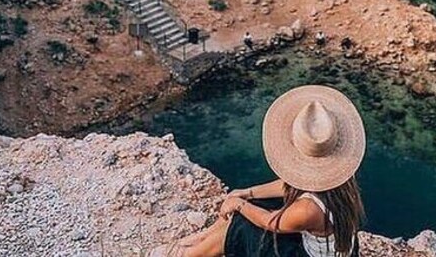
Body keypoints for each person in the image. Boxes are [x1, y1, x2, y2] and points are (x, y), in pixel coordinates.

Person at [156, 85, 366, 257]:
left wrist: (238, 204)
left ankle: (193, 254)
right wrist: (246, 193)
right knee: (255, 205)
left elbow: (271, 222)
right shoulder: (338, 180)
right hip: (328, 246)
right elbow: (290, 185)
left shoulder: (308, 211)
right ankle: (200, 240)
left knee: (243, 227)